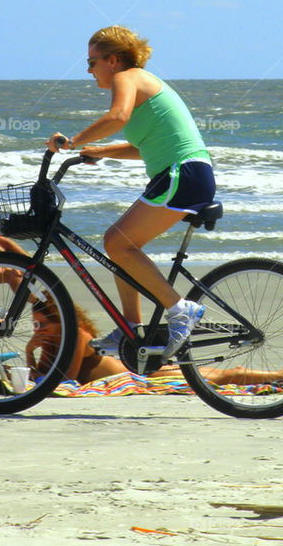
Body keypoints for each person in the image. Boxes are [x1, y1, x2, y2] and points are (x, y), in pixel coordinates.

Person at [46, 25, 215, 360]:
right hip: (180, 174)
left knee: (116, 242)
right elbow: (145, 148)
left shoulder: (130, 77)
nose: (89, 70)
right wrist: (102, 151)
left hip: (184, 174)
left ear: (113, 60)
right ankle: (131, 329)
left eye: (92, 62)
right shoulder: (138, 85)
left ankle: (181, 309)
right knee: (121, 246)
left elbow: (116, 116)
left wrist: (73, 142)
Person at [25, 296, 283, 388]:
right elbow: (42, 376)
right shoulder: (55, 344)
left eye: (42, 324)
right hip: (138, 374)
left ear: (60, 319)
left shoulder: (75, 337)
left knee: (217, 378)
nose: (38, 329)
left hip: (139, 376)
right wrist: (32, 354)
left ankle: (281, 375)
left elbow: (65, 380)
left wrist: (29, 351)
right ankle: (276, 377)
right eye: (35, 324)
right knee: (213, 377)